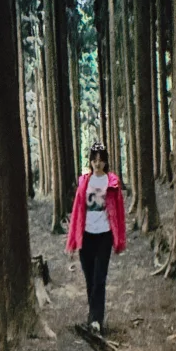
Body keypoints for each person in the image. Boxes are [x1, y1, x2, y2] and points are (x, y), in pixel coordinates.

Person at [65, 141, 127, 331]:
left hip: (104, 235)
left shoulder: (112, 183)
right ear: (90, 161)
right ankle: (92, 317)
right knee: (90, 279)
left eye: (100, 160)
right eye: (94, 160)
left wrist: (119, 239)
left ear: (105, 161)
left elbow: (119, 213)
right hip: (86, 235)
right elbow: (77, 213)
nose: (97, 163)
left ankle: (96, 321)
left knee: (100, 278)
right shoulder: (84, 182)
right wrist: (72, 241)